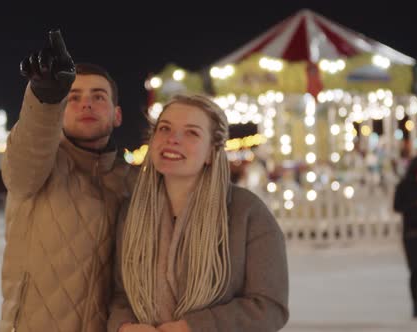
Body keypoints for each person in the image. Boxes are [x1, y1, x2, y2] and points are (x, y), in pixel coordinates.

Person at [108, 94, 289, 332]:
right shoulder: (131, 213)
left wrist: (193, 327)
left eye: (191, 132)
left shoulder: (247, 213)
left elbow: (269, 307)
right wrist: (124, 325)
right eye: (164, 128)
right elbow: (122, 293)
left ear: (211, 153)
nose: (172, 139)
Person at [0, 30, 135, 332]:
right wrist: (45, 99)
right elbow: (24, 162)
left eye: (98, 97)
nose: (86, 104)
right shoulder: (39, 166)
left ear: (117, 115)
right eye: (73, 97)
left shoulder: (135, 183)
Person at [394, 155, 417, 318]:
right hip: (412, 233)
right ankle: (415, 304)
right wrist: (415, 204)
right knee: (416, 270)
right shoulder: (404, 186)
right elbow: (397, 207)